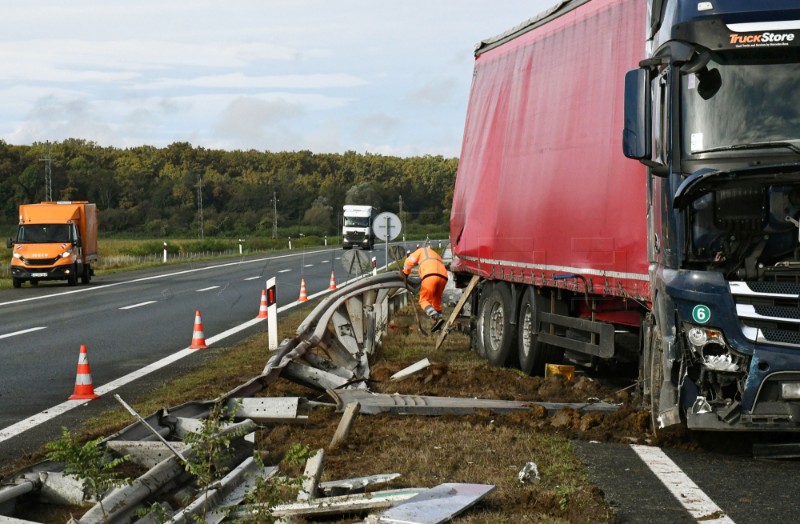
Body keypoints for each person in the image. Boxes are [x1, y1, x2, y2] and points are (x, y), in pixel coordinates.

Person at [401, 244, 448, 332]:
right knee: (436, 301)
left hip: (430, 275)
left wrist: (405, 273)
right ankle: (438, 326)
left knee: (423, 300)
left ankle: (436, 316)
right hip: (443, 277)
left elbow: (408, 262)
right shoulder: (435, 254)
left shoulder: (420, 251)